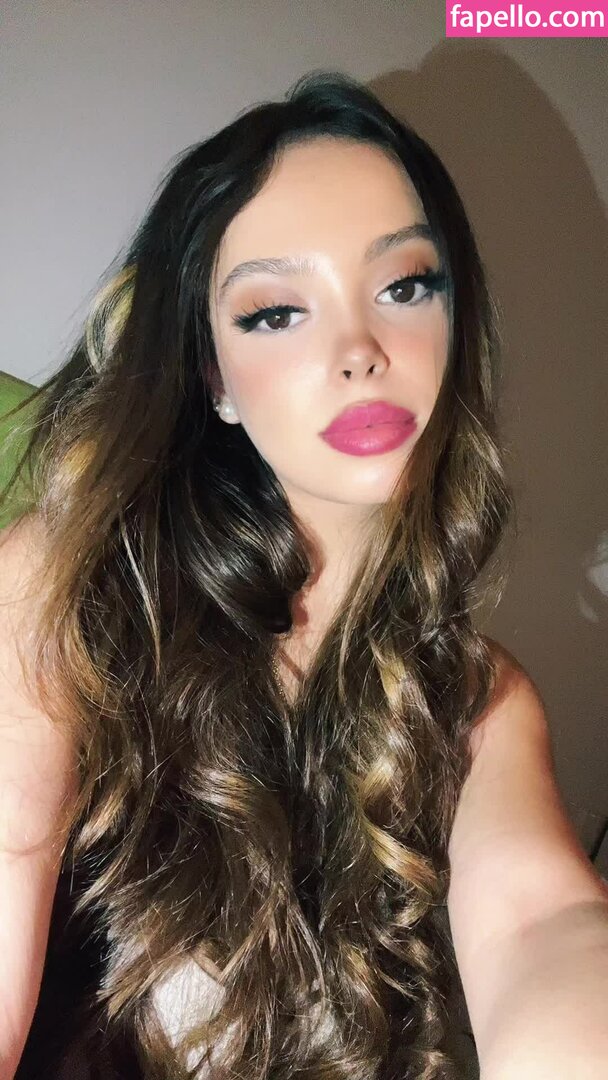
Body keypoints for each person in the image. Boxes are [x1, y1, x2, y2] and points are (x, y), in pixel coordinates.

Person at [1, 70, 607, 1080]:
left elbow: (539, 923)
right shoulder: (68, 587)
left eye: (404, 286)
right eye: (277, 311)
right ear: (213, 379)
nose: (360, 349)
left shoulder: (480, 700)